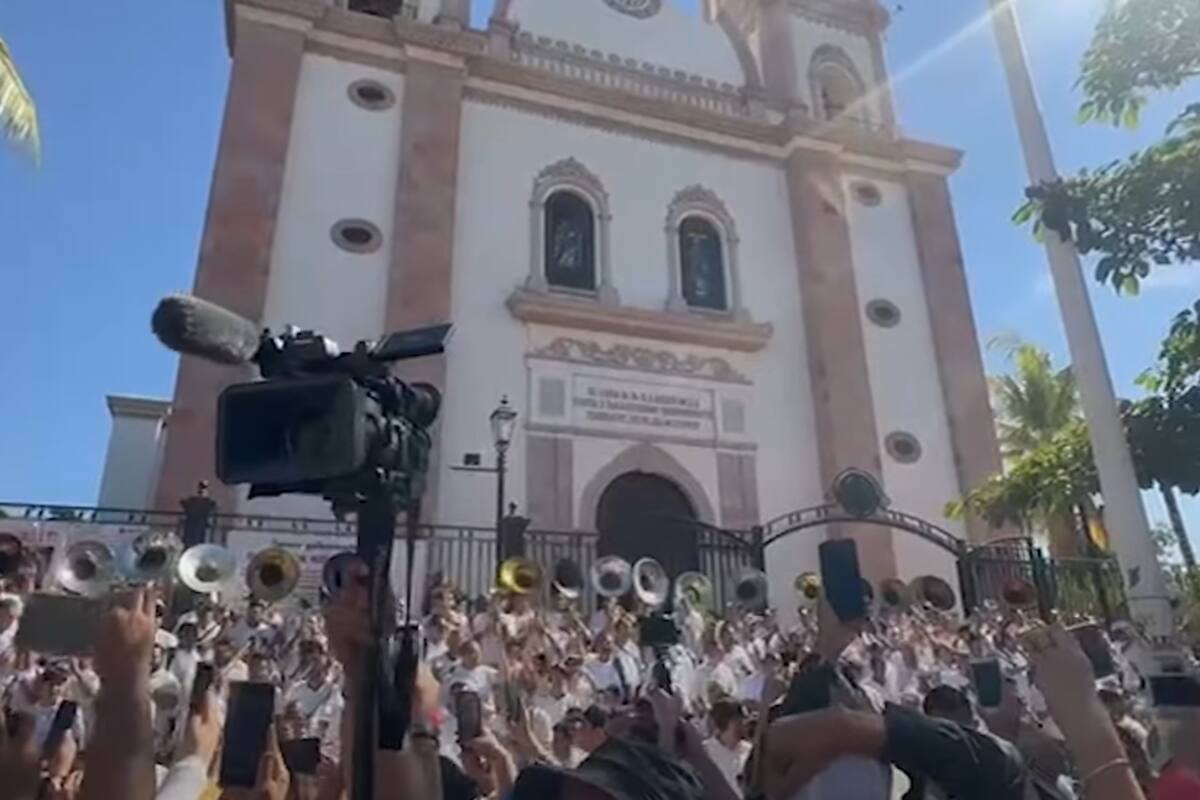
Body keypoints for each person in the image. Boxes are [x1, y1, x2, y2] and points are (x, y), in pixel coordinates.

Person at [704, 699, 751, 797]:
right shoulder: (704, 752)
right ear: (723, 724)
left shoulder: (749, 751)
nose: (742, 729)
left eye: (743, 723)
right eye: (737, 724)